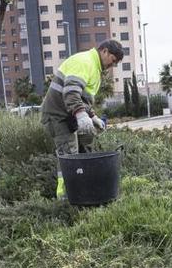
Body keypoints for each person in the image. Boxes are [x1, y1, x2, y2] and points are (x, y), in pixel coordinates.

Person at [40, 39, 124, 199]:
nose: (111, 66)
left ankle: (86, 186)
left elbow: (83, 98)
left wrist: (92, 117)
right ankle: (66, 196)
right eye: (112, 61)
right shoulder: (85, 62)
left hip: (69, 114)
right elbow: (71, 92)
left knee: (87, 139)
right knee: (68, 154)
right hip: (57, 116)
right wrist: (81, 115)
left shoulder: (95, 68)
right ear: (104, 51)